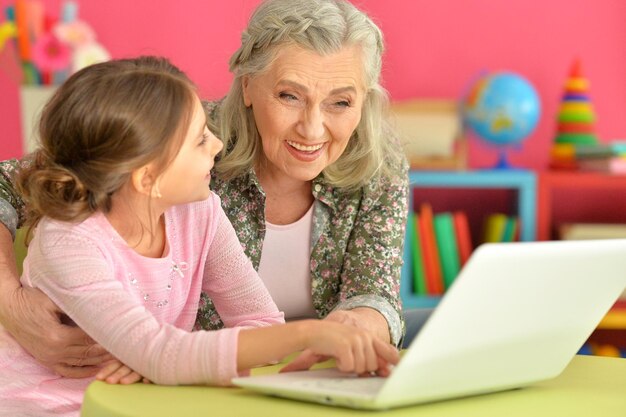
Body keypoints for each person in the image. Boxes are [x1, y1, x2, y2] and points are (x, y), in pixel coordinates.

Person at [0, 0, 425, 378]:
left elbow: (371, 292)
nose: (312, 128)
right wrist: (11, 303)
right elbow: (11, 181)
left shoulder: (377, 165)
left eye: (341, 102)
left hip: (281, 378)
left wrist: (352, 330)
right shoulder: (172, 138)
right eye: (289, 96)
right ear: (246, 86)